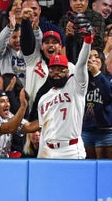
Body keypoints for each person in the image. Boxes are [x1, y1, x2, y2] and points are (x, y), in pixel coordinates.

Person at [25, 29, 91, 159]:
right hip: (49, 150)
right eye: (53, 69)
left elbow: (82, 64)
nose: (56, 72)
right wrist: (40, 157)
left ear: (68, 71)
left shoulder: (76, 86)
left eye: (61, 69)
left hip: (71, 149)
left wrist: (87, 41)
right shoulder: (43, 98)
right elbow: (44, 131)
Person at [82, 48, 112, 159]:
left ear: (102, 60)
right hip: (86, 131)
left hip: (106, 133)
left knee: (106, 171)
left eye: (96, 56)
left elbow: (110, 94)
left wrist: (97, 74)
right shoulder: (81, 79)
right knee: (88, 170)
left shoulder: (110, 77)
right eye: (89, 57)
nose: (92, 59)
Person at [0, 87, 30, 157]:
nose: (7, 104)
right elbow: (9, 128)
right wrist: (23, 107)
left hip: (3, 161)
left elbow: (28, 126)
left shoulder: (8, 114)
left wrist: (46, 121)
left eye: (7, 101)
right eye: (2, 101)